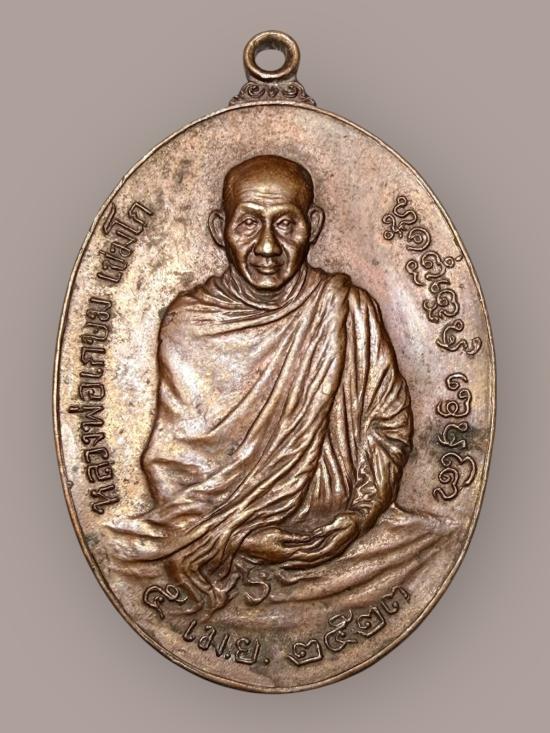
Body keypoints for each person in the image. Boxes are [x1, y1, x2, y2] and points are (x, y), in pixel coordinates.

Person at [114, 155, 413, 612]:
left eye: (286, 224)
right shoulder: (191, 324)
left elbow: (387, 428)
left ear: (313, 226)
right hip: (220, 543)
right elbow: (173, 466)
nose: (268, 246)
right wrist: (244, 539)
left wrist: (357, 518)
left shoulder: (347, 310)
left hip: (346, 539)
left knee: (434, 540)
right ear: (220, 229)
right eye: (249, 223)